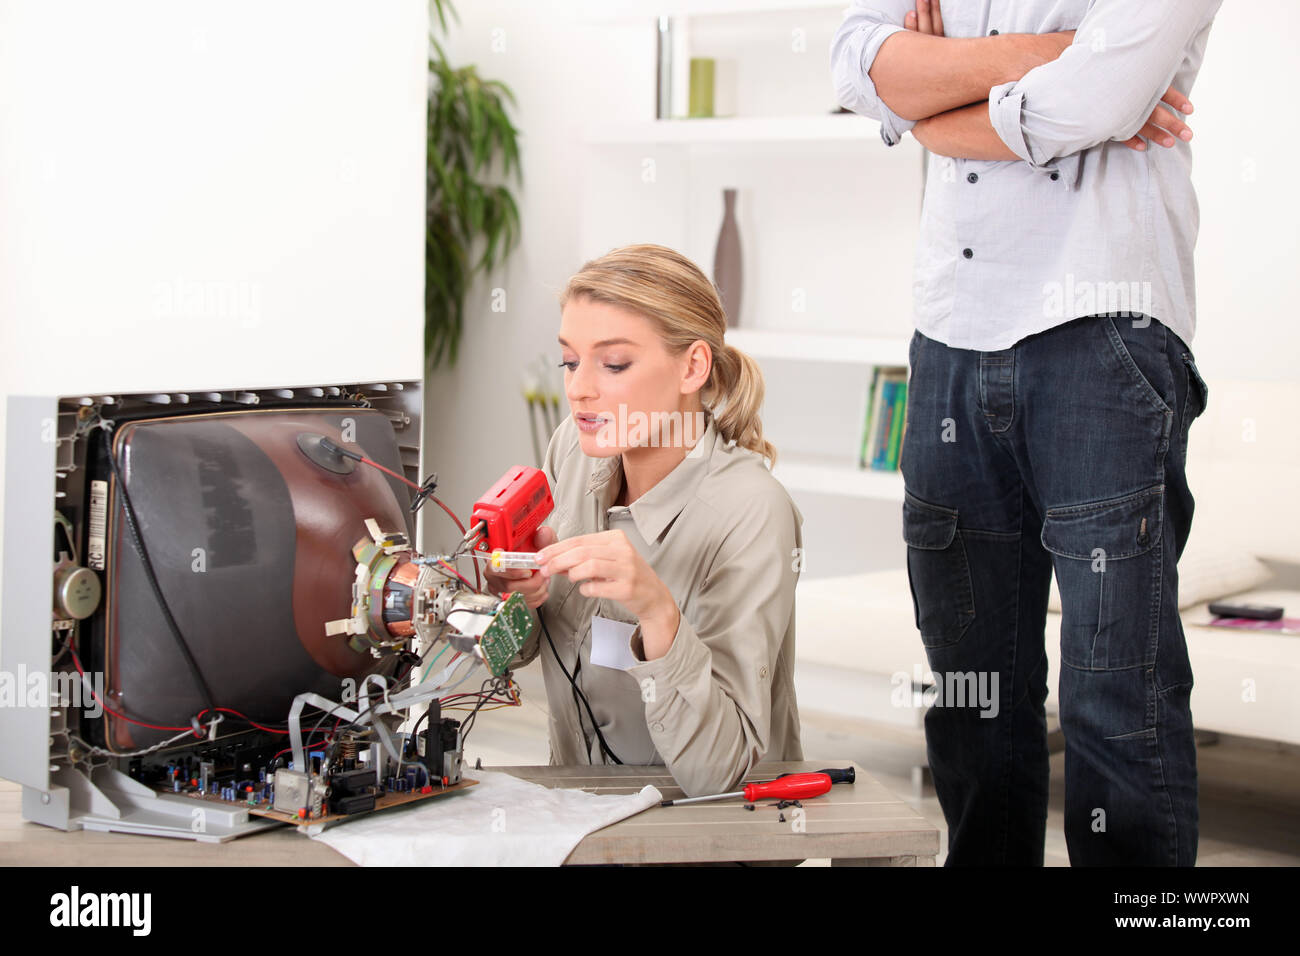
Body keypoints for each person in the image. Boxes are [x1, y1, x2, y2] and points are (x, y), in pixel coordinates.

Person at [830, 0, 1220, 865]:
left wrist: (935, 102)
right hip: (950, 334)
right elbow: (856, 61)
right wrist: (1052, 56)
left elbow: (1099, 102)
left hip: (1105, 324)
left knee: (1116, 695)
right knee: (971, 695)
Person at [484, 243, 805, 798]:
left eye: (613, 364)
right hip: (581, 816)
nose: (579, 387)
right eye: (569, 360)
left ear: (693, 366)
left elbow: (720, 775)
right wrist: (516, 599)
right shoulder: (574, 451)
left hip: (714, 841)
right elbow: (520, 653)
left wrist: (658, 612)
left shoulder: (753, 511)